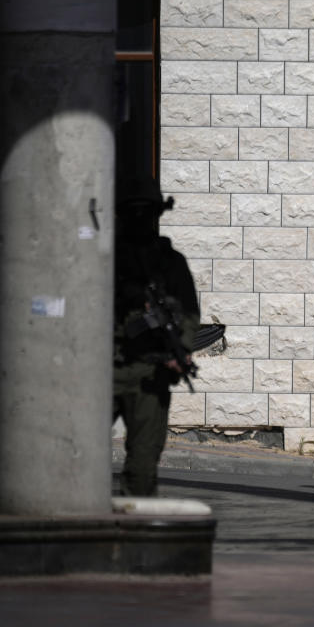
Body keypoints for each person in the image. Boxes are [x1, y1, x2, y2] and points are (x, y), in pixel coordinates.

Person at [113, 177, 199, 496]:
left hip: (150, 371)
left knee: (142, 468)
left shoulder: (170, 263)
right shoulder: (104, 258)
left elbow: (190, 314)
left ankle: (133, 537)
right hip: (104, 368)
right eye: (132, 213)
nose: (140, 221)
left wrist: (182, 349)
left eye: (146, 213)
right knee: (76, 457)